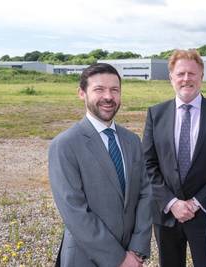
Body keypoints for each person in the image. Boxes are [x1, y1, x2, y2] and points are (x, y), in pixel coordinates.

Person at [48, 63, 151, 267]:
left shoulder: (131, 140)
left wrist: (137, 250)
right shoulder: (65, 144)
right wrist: (119, 259)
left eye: (114, 90)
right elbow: (75, 211)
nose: (108, 96)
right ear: (81, 93)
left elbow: (145, 194)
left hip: (132, 255)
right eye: (99, 89)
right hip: (85, 258)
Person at [142, 49, 206, 267]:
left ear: (201, 76)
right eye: (181, 73)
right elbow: (148, 164)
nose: (186, 79)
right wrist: (172, 202)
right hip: (167, 215)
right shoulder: (156, 114)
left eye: (192, 73)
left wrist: (196, 203)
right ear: (171, 78)